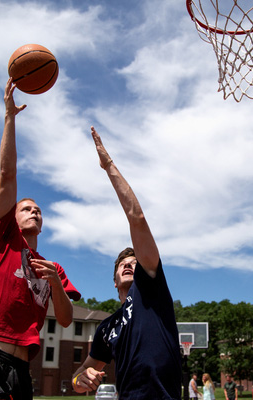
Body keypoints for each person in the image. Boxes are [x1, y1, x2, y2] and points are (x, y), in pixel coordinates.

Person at [0, 78, 81, 400]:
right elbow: (7, 175)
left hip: (21, 370)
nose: (34, 211)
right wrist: (10, 118)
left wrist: (56, 285)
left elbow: (64, 320)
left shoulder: (53, 268)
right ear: (14, 218)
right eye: (26, 208)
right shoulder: (3, 239)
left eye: (38, 210)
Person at [71, 127, 182, 399]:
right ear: (114, 280)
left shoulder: (150, 291)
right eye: (123, 263)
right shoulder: (106, 328)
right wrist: (80, 379)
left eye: (135, 261)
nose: (130, 264)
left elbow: (137, 217)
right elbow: (79, 375)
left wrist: (107, 165)